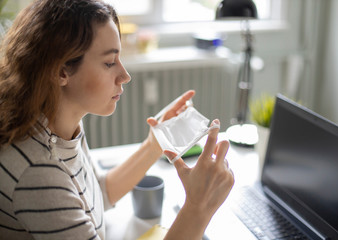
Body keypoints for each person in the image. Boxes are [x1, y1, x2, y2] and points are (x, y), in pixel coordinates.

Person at [0, 0, 234, 239]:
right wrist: (199, 206)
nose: (125, 75)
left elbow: (94, 198)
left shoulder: (57, 126)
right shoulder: (39, 172)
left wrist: (155, 143)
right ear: (61, 71)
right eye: (109, 62)